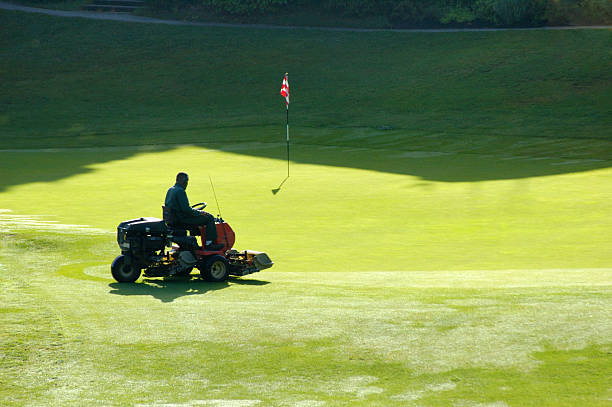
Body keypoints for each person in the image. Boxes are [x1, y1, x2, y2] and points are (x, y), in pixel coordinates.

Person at [164, 172, 222, 250]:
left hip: (175, 218)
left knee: (199, 218)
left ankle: (194, 244)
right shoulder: (180, 191)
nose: (186, 184)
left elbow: (183, 208)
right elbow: (186, 210)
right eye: (186, 181)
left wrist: (195, 211)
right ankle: (209, 244)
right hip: (182, 219)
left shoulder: (171, 189)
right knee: (209, 218)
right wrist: (200, 212)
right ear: (181, 180)